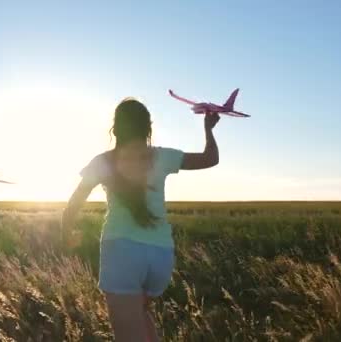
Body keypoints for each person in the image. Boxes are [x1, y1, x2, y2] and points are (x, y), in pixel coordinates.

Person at [61, 98, 221, 342]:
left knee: (128, 334)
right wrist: (208, 129)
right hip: (161, 255)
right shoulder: (163, 157)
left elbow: (73, 206)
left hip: (121, 252)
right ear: (148, 128)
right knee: (140, 314)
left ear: (115, 129)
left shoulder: (102, 161)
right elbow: (210, 159)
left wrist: (67, 234)